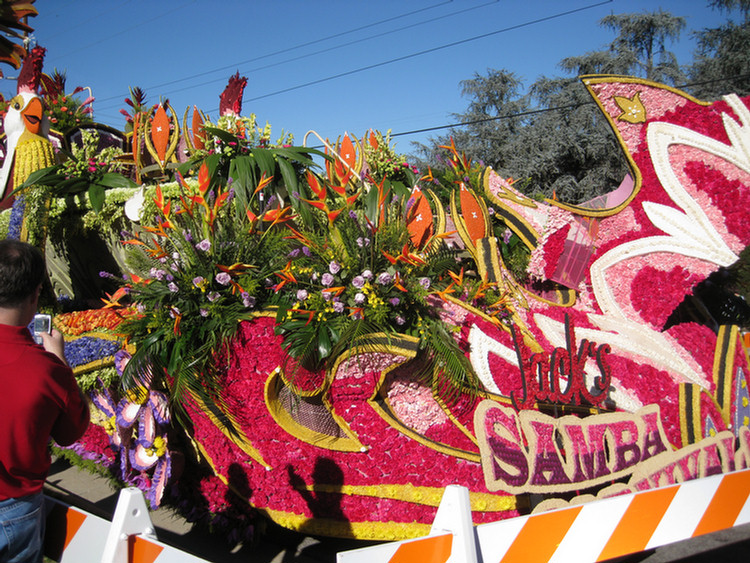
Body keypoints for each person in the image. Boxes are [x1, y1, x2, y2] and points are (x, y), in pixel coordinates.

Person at [0, 240, 89, 563]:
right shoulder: (47, 369)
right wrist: (60, 362)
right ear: (36, 294)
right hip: (14, 509)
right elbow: (70, 433)